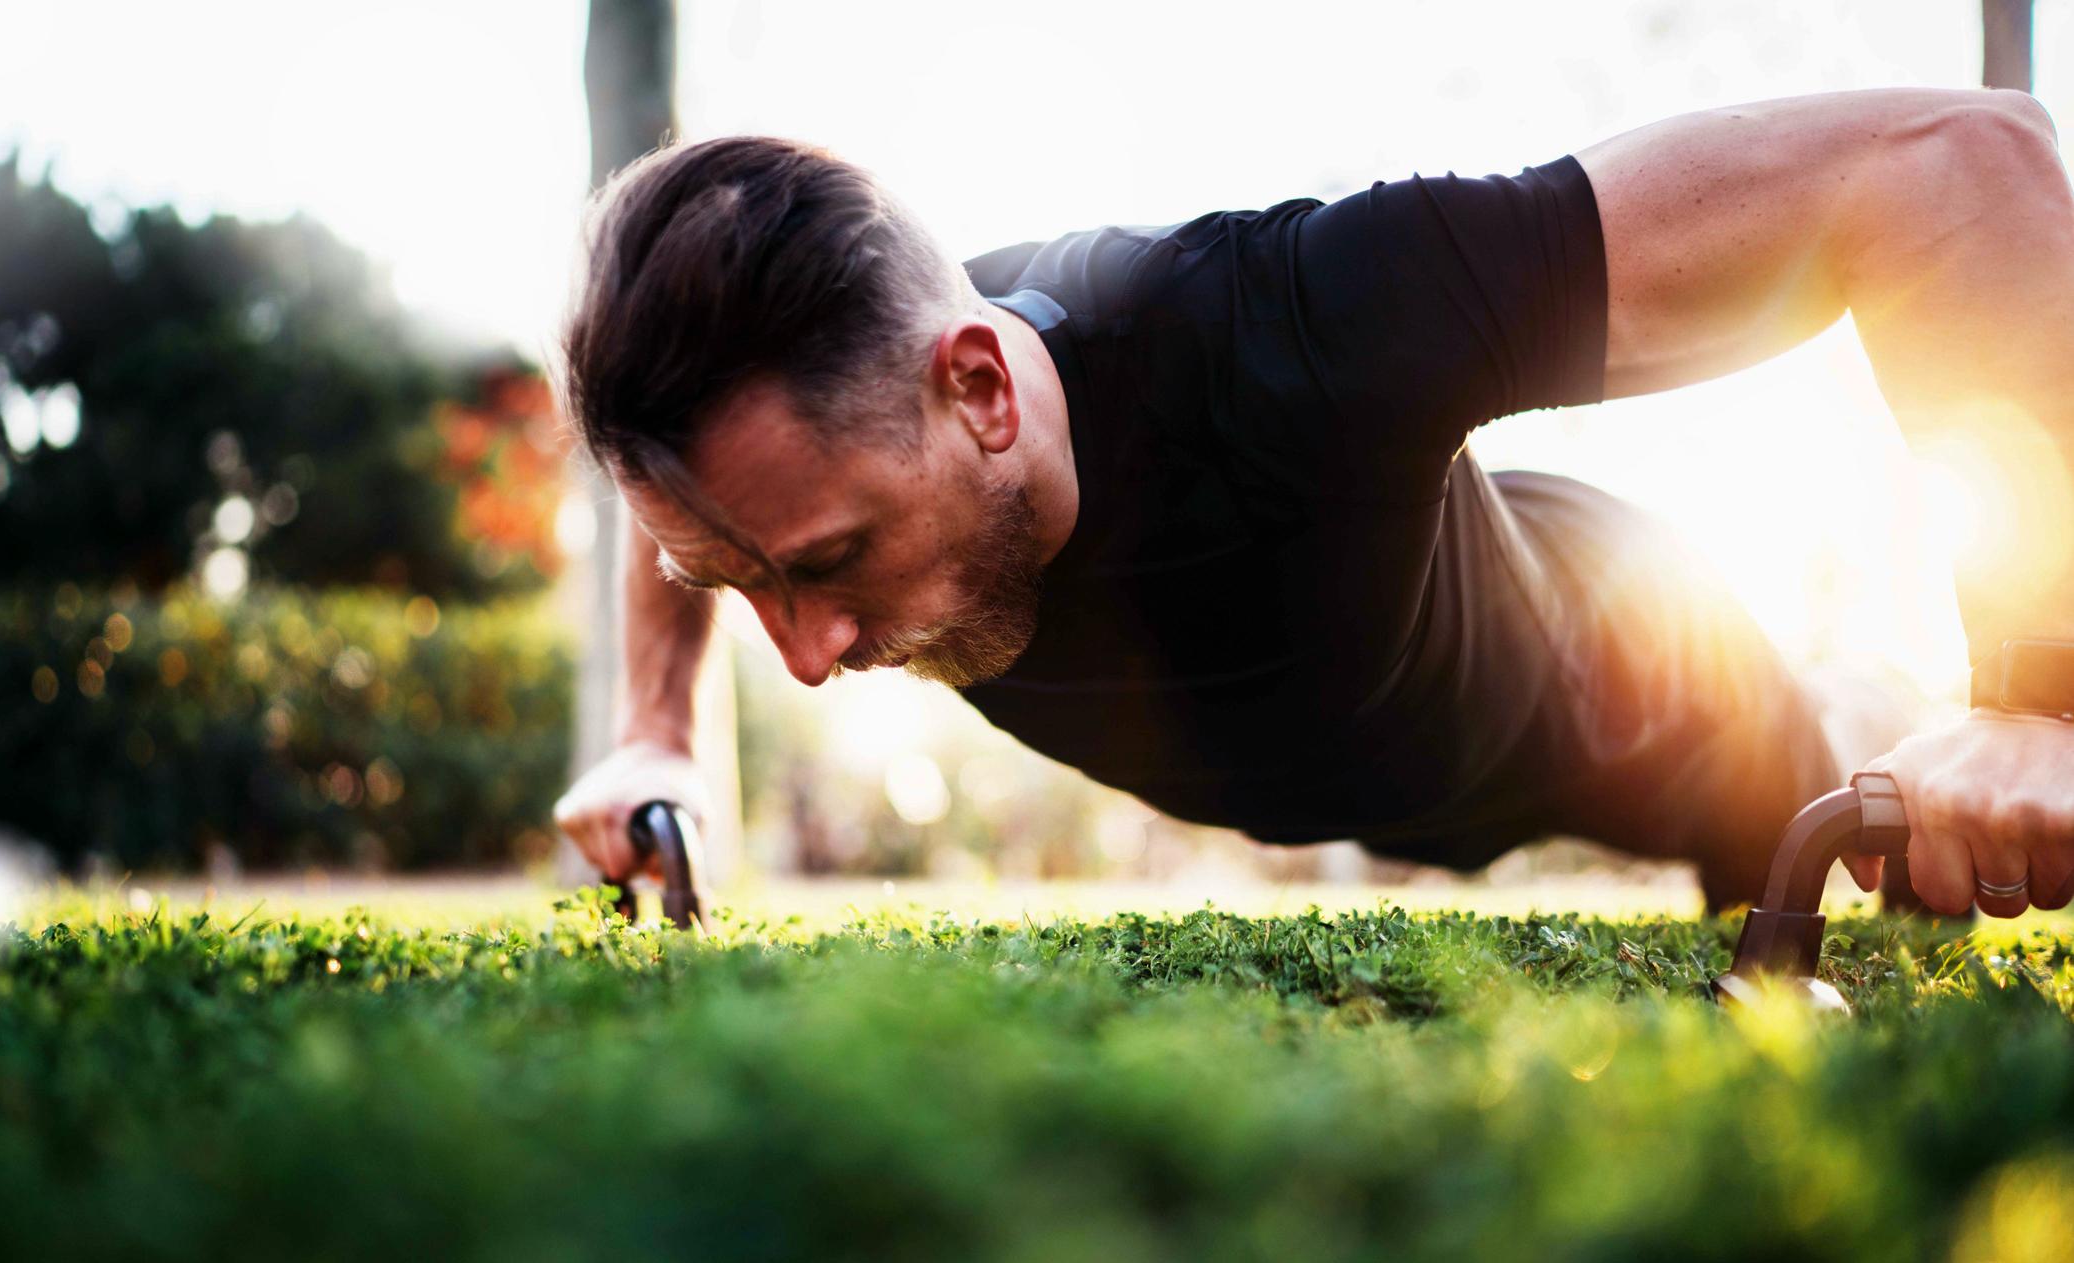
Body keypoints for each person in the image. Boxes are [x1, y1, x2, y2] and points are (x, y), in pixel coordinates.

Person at [553, 87, 2074, 919]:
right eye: (737, 581)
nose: (806, 651)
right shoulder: (800, 425)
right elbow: (691, 492)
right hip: (1380, 774)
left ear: (982, 391)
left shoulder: (1305, 328)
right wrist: (657, 727)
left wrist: (2034, 699)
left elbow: (1952, 170)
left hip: (1635, 678)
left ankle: (1855, 692)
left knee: (1861, 876)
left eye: (829, 565)